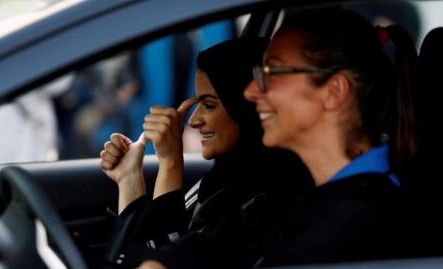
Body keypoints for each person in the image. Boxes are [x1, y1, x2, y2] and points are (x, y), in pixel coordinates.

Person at [137, 7, 417, 269]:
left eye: (273, 72)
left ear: (333, 91)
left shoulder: (361, 219)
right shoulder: (292, 198)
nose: (250, 92)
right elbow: (200, 247)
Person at [99, 37, 312, 266]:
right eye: (197, 103)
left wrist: (170, 162)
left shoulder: (266, 201)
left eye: (209, 104)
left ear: (245, 108)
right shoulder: (224, 180)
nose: (194, 119)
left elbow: (161, 258)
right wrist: (129, 180)